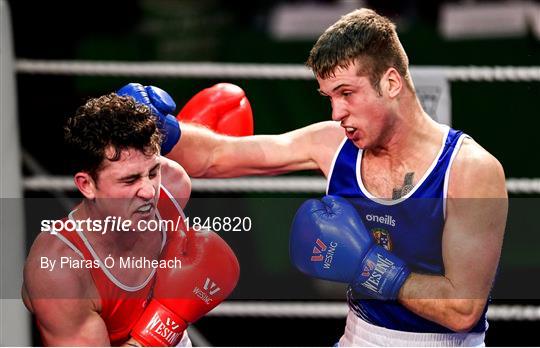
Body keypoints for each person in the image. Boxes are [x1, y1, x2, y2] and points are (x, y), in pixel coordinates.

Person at [141, 7, 508, 346]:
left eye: (347, 93)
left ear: (391, 83)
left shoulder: (469, 170)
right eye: (329, 96)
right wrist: (159, 128)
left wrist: (369, 266)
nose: (336, 112)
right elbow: (216, 157)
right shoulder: (334, 144)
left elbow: (463, 310)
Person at [22, 89, 240, 346]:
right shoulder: (60, 272)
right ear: (87, 185)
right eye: (130, 180)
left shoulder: (173, 186)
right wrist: (164, 324)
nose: (149, 191)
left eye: (152, 172)